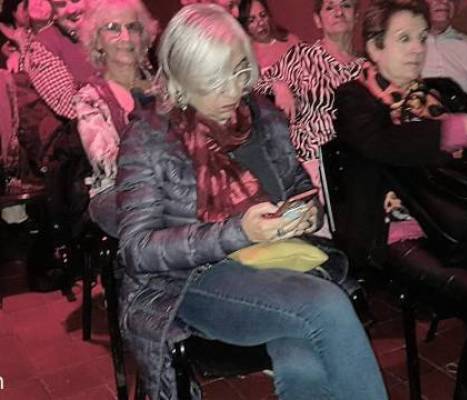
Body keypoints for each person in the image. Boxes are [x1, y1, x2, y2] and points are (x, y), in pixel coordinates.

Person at [116, 4, 388, 400]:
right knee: (326, 306)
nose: (232, 92)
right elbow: (137, 249)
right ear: (182, 77)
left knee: (304, 362)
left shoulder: (263, 116)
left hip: (277, 263)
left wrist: (305, 213)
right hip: (192, 281)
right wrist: (238, 232)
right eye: (214, 81)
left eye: (239, 72)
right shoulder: (149, 138)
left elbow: (299, 186)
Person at [329, 0, 467, 399]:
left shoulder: (441, 93)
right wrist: (463, 128)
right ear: (375, 47)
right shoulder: (355, 99)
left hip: (462, 224)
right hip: (400, 235)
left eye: (422, 38)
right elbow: (384, 143)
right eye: (404, 39)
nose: (418, 49)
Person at [254, 0, 364, 212]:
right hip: (311, 163)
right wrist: (278, 85)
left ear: (356, 15)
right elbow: (253, 87)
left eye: (346, 5)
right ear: (318, 20)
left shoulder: (366, 67)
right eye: (330, 7)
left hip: (356, 164)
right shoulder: (301, 56)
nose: (339, 12)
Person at [74, 0, 158, 238]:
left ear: (144, 36)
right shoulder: (90, 97)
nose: (126, 37)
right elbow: (106, 163)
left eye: (133, 27)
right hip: (117, 191)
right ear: (97, 41)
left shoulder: (164, 87)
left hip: (172, 183)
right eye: (113, 28)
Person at [238, 0, 300, 73]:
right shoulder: (245, 56)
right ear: (244, 26)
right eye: (252, 20)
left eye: (263, 15)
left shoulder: (290, 40)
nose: (261, 23)